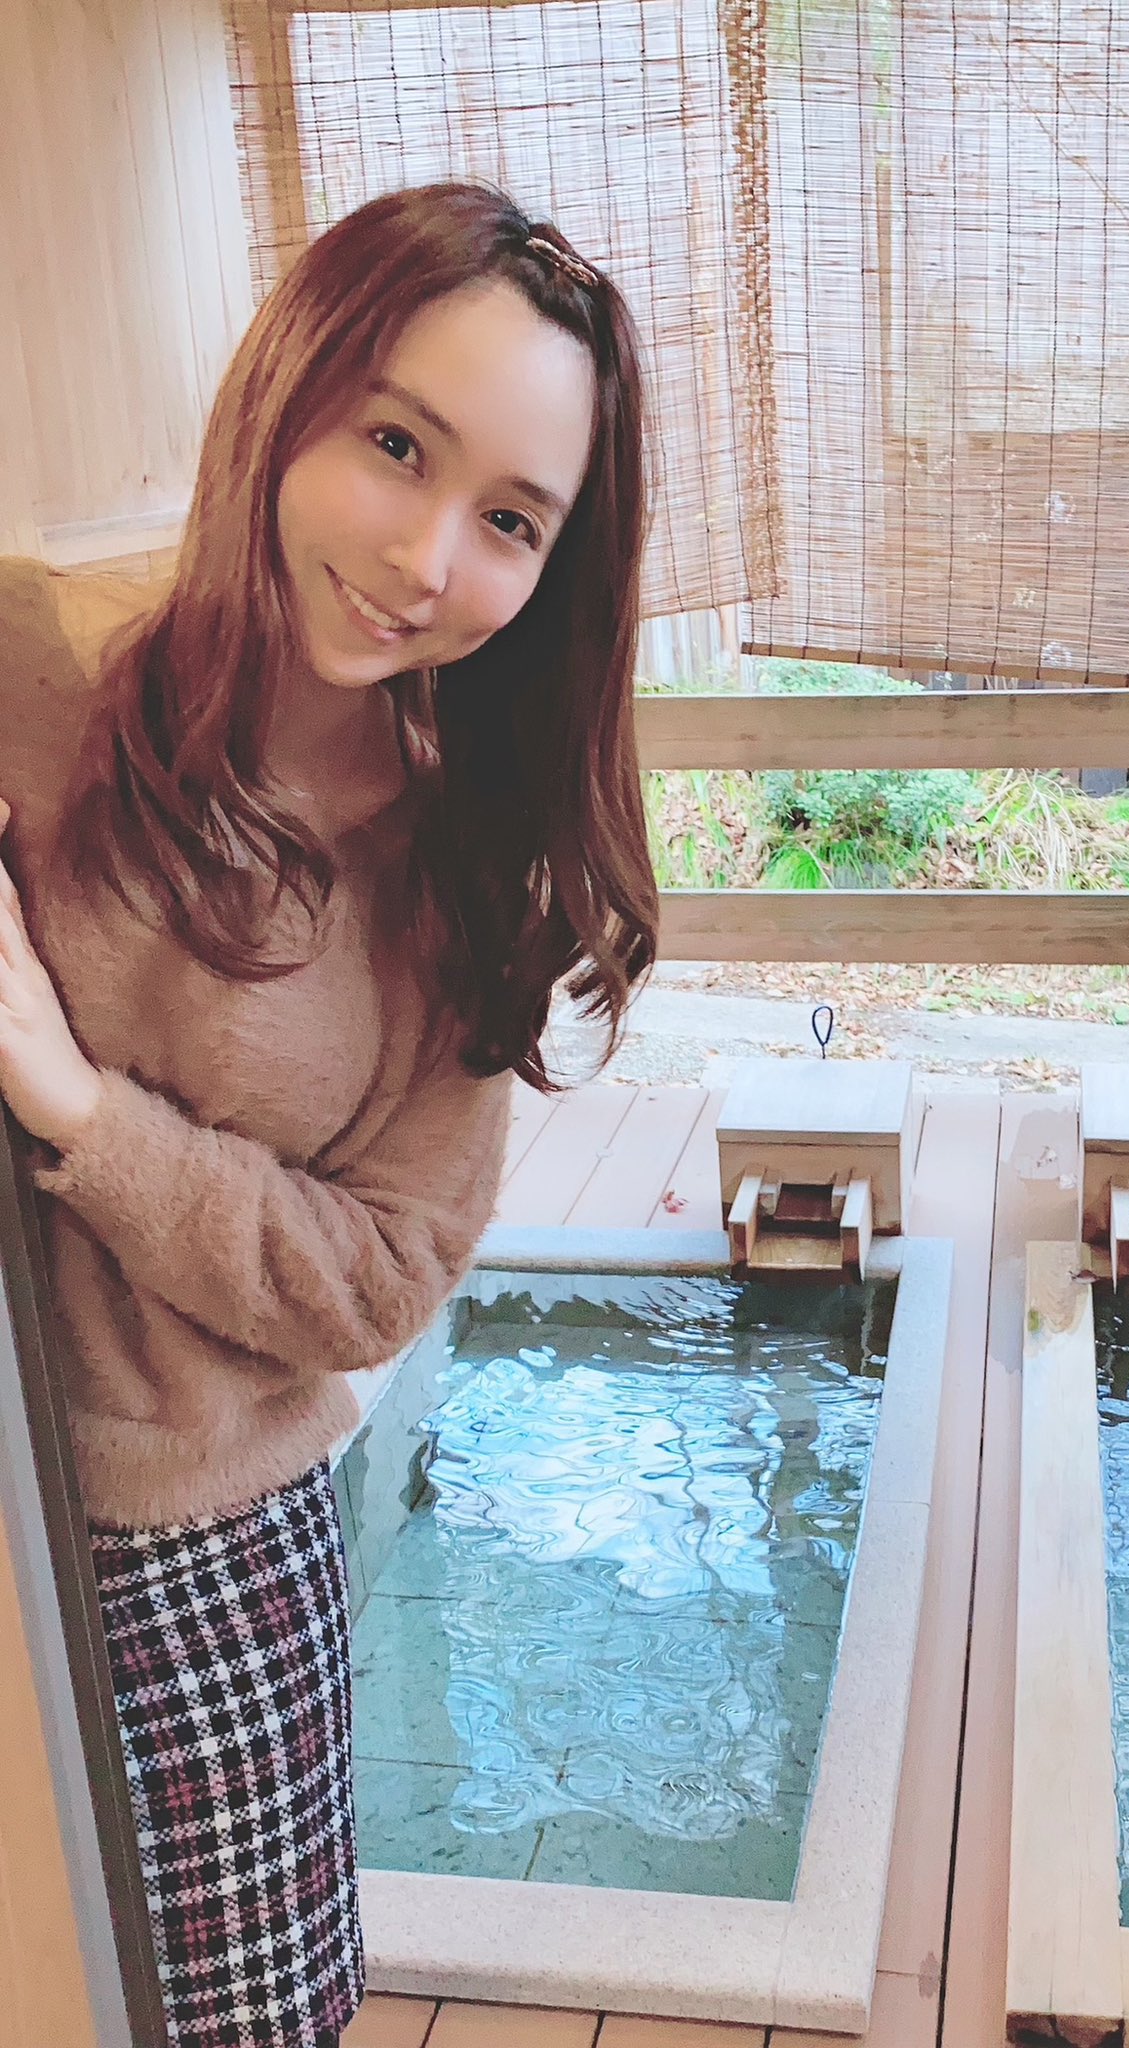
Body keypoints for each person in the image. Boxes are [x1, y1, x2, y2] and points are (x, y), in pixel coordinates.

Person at [0, 181, 657, 2048]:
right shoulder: (34, 668)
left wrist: (78, 1107)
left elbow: (381, 1275)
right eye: (395, 444)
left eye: (510, 520)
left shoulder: (458, 872)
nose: (426, 558)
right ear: (288, 391)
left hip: (198, 1549)